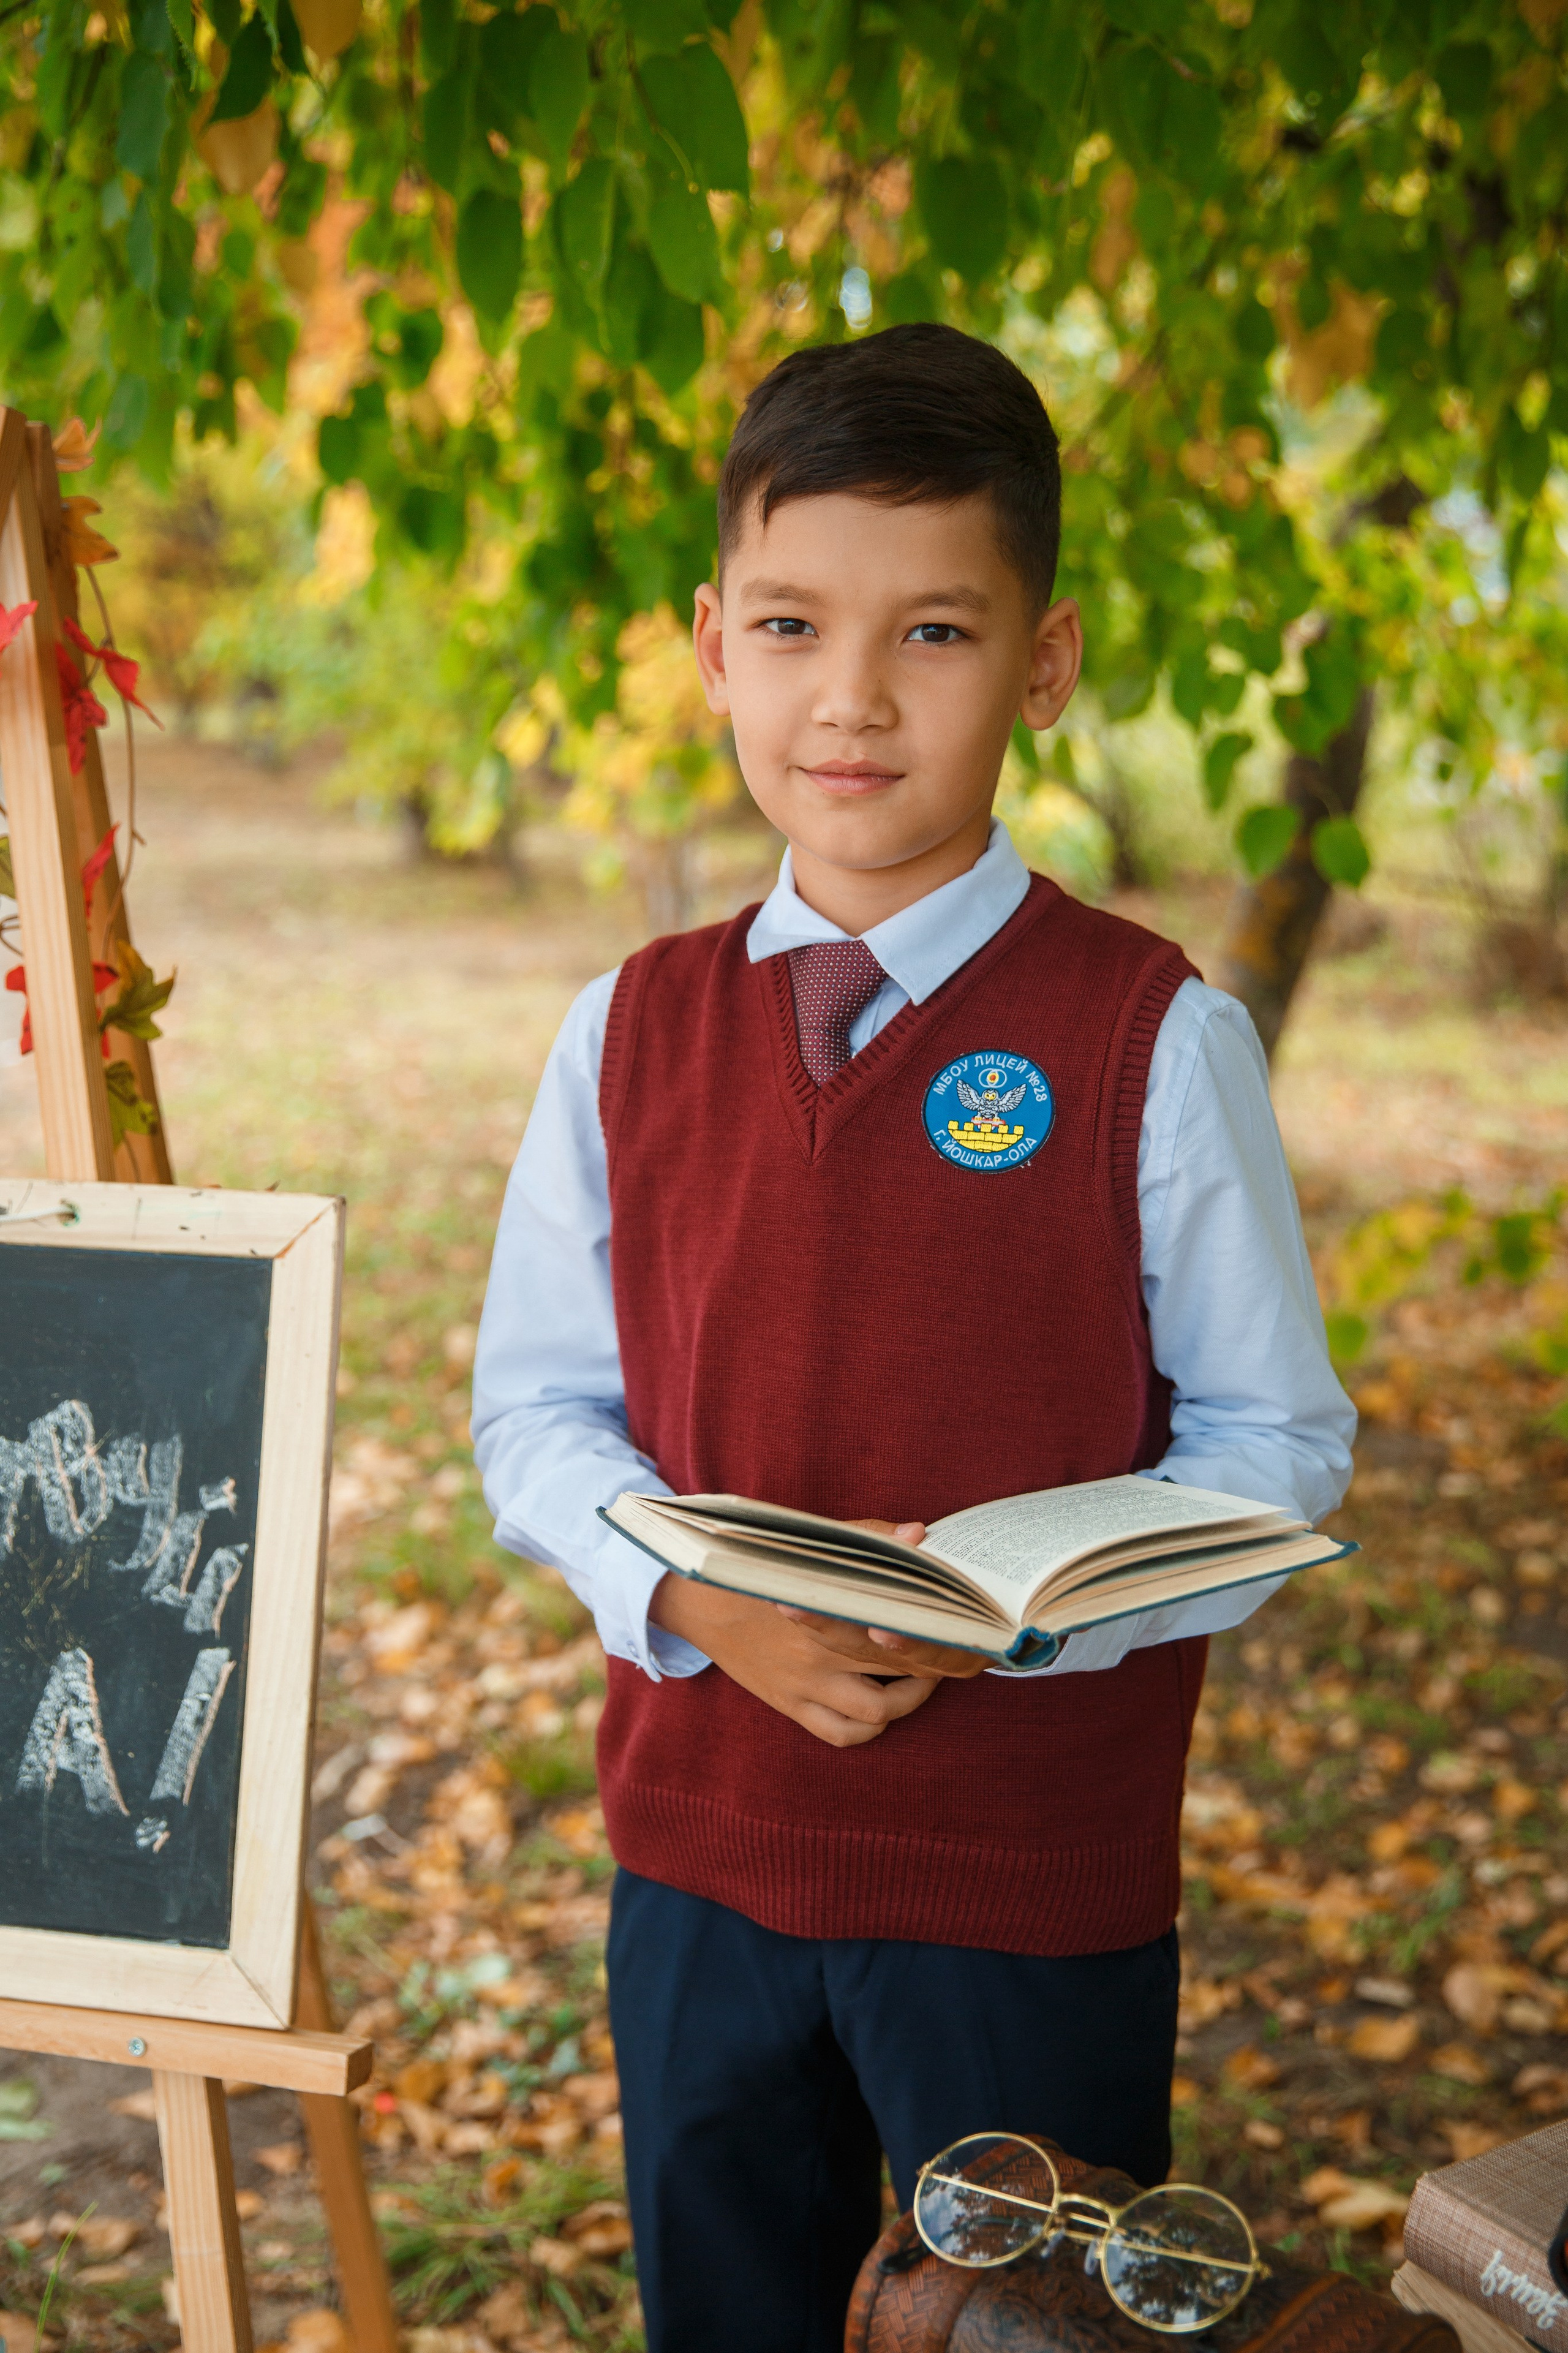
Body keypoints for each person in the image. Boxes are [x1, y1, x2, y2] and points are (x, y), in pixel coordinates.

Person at [473, 322, 1354, 2353]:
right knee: (732, 2313)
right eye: (791, 624)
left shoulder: (1153, 1033)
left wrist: (1025, 1616)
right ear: (713, 642)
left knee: (1018, 2332)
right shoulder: (627, 1029)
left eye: (935, 633)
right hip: (698, 1857)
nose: (850, 698)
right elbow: (536, 1408)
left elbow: (1274, 1438)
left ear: (1042, 665)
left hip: (1024, 1885)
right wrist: (693, 1592)